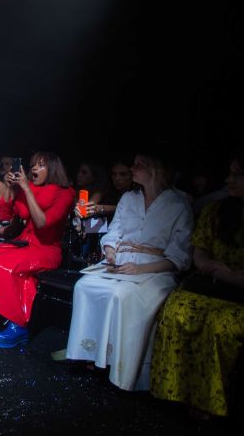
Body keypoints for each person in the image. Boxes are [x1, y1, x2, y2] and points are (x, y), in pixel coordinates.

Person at [65, 154, 194, 391]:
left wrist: (141, 267)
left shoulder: (178, 203)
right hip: (119, 259)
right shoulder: (126, 197)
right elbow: (111, 230)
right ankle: (90, 354)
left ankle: (119, 363)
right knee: (85, 285)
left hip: (153, 267)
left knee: (121, 294)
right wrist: (110, 251)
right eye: (115, 174)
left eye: (128, 171)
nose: (123, 175)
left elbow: (180, 256)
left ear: (155, 170)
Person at [150, 152, 244, 418]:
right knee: (177, 308)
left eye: (238, 174)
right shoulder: (217, 211)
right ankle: (175, 391)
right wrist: (215, 268)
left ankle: (210, 402)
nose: (230, 180)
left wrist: (229, 274)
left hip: (236, 293)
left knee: (220, 324)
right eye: (230, 173)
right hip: (213, 283)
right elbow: (200, 253)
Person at [0, 151, 75, 348]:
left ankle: (19, 324)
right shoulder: (28, 188)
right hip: (24, 243)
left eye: (40, 165)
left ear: (52, 169)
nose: (33, 169)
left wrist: (26, 189)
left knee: (7, 267)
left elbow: (42, 223)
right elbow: (6, 215)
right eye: (32, 165)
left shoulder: (65, 193)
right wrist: (11, 190)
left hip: (46, 250)